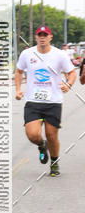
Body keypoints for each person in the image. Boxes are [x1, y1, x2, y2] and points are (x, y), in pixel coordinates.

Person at [15, 25, 76, 177]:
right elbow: (18, 71)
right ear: (36, 38)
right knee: (33, 135)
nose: (42, 37)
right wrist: (18, 89)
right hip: (33, 101)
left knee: (51, 134)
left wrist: (68, 84)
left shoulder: (59, 55)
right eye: (39, 35)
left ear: (50, 37)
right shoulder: (27, 54)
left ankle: (54, 163)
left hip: (53, 102)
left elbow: (72, 72)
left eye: (45, 35)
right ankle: (42, 146)